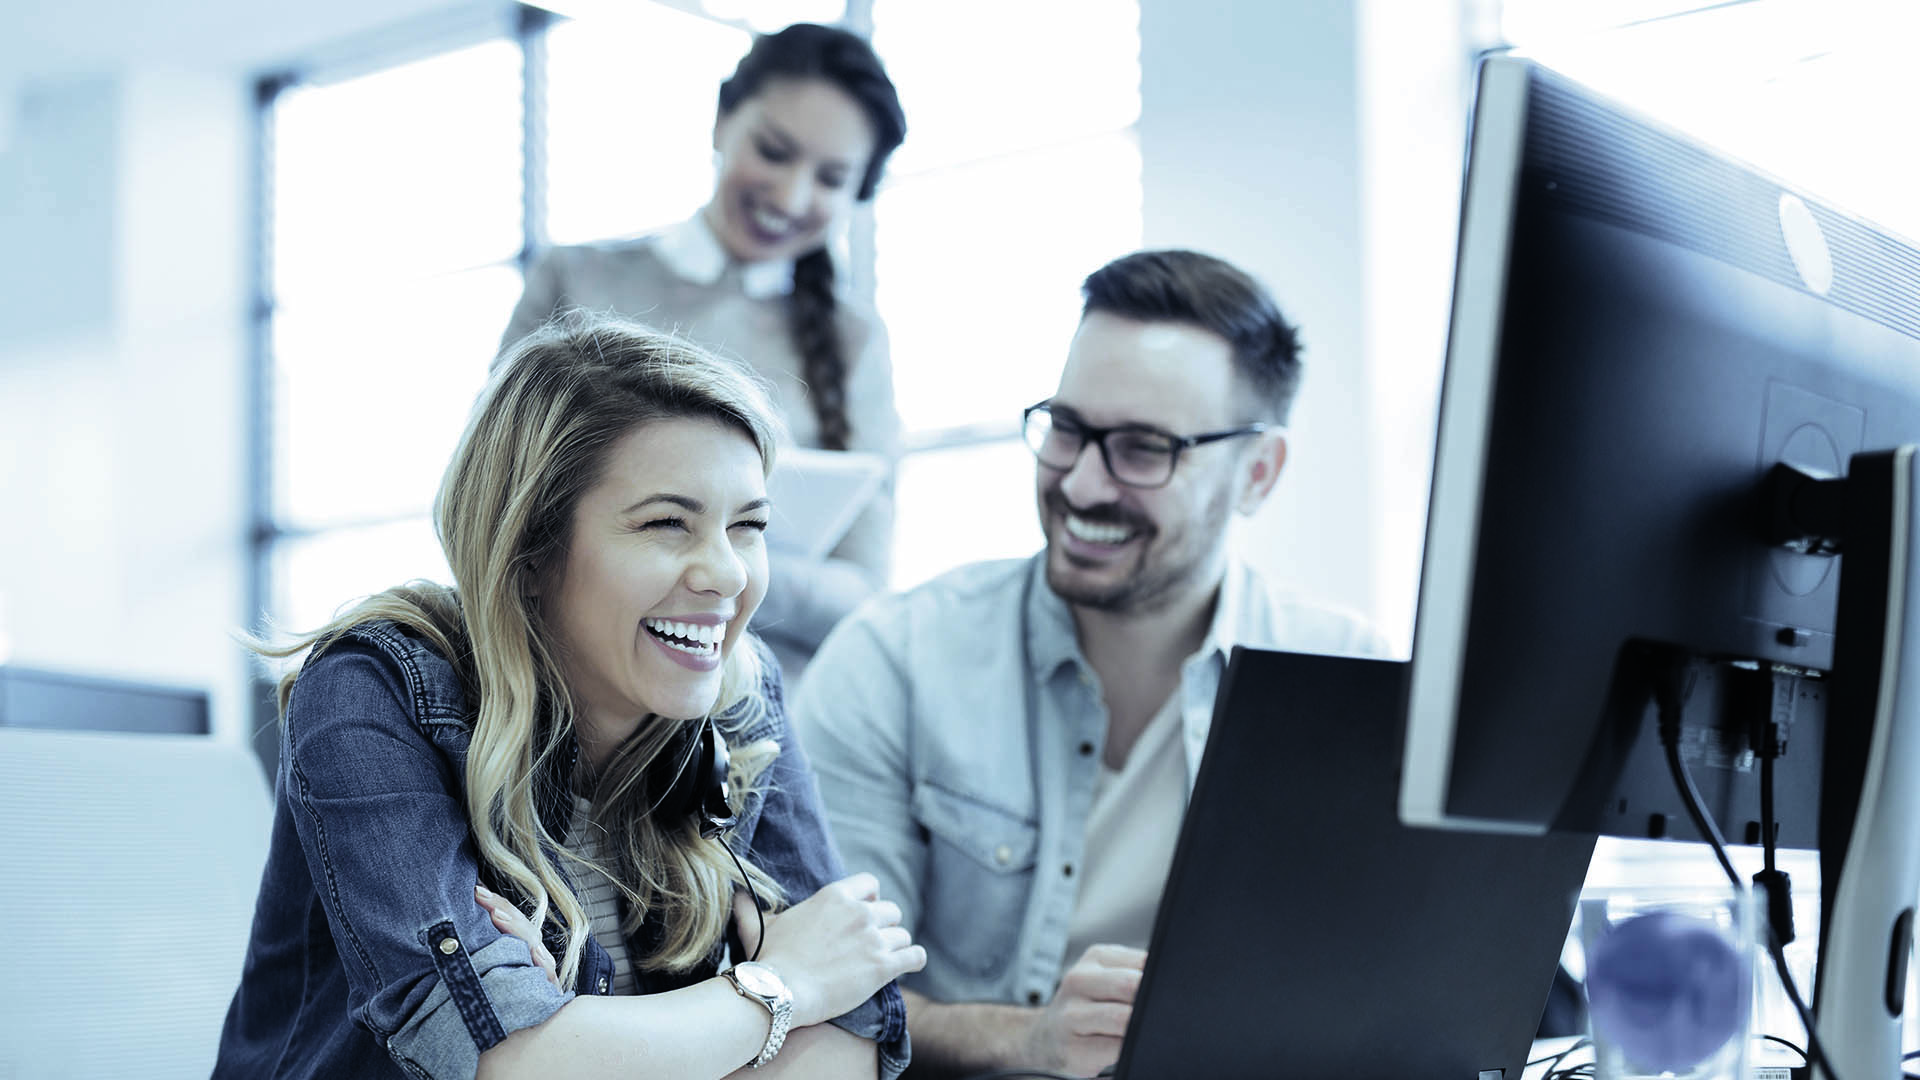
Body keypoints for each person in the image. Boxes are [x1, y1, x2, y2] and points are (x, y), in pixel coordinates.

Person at [215, 315, 924, 1080]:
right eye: (666, 524)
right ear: (529, 551)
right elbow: (503, 1063)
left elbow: (852, 1022)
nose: (726, 574)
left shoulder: (739, 695)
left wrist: (583, 1041)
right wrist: (779, 987)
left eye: (747, 526)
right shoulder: (372, 689)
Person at [792, 250, 1388, 1077]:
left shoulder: (1355, 681)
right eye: (1066, 429)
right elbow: (831, 998)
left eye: (1143, 448)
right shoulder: (892, 661)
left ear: (1257, 473)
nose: (1081, 482)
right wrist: (1028, 1039)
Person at [501, 23, 907, 679]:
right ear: (722, 120)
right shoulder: (577, 282)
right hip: (565, 685)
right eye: (774, 152)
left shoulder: (855, 341)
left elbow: (863, 597)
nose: (793, 196)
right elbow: (493, 503)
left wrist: (705, 559)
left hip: (764, 712)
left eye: (831, 178)